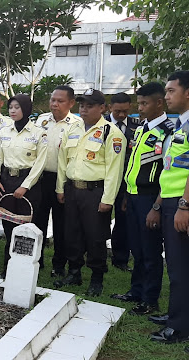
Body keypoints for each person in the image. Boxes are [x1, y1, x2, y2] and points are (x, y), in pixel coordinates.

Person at [54, 89, 126, 296]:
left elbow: (115, 169)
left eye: (90, 105)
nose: (84, 109)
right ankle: (74, 272)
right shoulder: (73, 128)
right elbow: (62, 161)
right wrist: (60, 187)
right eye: (82, 105)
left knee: (95, 236)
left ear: (102, 108)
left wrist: (108, 199)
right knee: (72, 233)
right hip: (72, 189)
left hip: (95, 192)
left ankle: (96, 277)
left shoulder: (111, 133)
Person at [110, 82, 173, 315]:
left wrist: (157, 206)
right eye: (139, 103)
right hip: (133, 196)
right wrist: (127, 194)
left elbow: (167, 172)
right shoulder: (141, 128)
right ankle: (136, 291)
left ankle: (150, 299)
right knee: (136, 248)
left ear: (159, 103)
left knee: (150, 250)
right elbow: (134, 165)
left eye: (145, 103)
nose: (141, 108)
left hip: (151, 199)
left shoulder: (167, 132)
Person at [149, 71, 189, 344]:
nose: (166, 96)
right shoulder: (180, 124)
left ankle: (179, 326)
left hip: (182, 204)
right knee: (175, 265)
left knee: (180, 267)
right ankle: (177, 313)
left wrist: (184, 205)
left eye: (171, 91)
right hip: (172, 201)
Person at [0, 94, 47, 275]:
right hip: (7, 180)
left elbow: (40, 162)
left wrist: (26, 186)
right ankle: (9, 264)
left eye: (17, 107)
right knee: (8, 224)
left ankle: (30, 265)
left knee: (29, 225)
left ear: (26, 109)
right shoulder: (4, 132)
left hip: (28, 183)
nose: (13, 110)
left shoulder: (39, 133)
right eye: (11, 107)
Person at [33, 86, 82, 276]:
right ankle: (36, 260)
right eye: (53, 100)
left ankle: (59, 264)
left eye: (60, 101)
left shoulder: (77, 123)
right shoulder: (41, 120)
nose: (54, 104)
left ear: (71, 103)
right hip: (40, 178)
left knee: (62, 224)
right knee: (38, 221)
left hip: (62, 180)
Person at [106, 92, 140, 271]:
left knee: (123, 220)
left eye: (125, 111)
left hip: (125, 182)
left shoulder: (137, 126)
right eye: (117, 111)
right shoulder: (100, 124)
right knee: (97, 219)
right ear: (110, 107)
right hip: (102, 180)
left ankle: (120, 259)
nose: (121, 115)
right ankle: (94, 253)